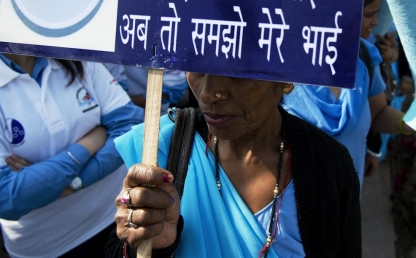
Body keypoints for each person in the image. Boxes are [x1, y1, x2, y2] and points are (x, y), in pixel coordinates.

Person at [106, 74, 362, 257]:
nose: (207, 93)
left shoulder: (327, 166)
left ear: (286, 77)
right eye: (196, 65)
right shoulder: (161, 149)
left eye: (237, 72)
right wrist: (147, 241)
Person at [281, 0, 416, 187]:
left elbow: (379, 114)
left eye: (377, 14)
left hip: (346, 198)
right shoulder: (281, 61)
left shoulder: (364, 56)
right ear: (341, 14)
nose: (375, 22)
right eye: (368, 15)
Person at [0, 54, 144, 258]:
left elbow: (129, 129)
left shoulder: (77, 56)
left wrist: (66, 183)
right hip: (46, 247)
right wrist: (92, 140)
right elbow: (6, 198)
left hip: (117, 218)